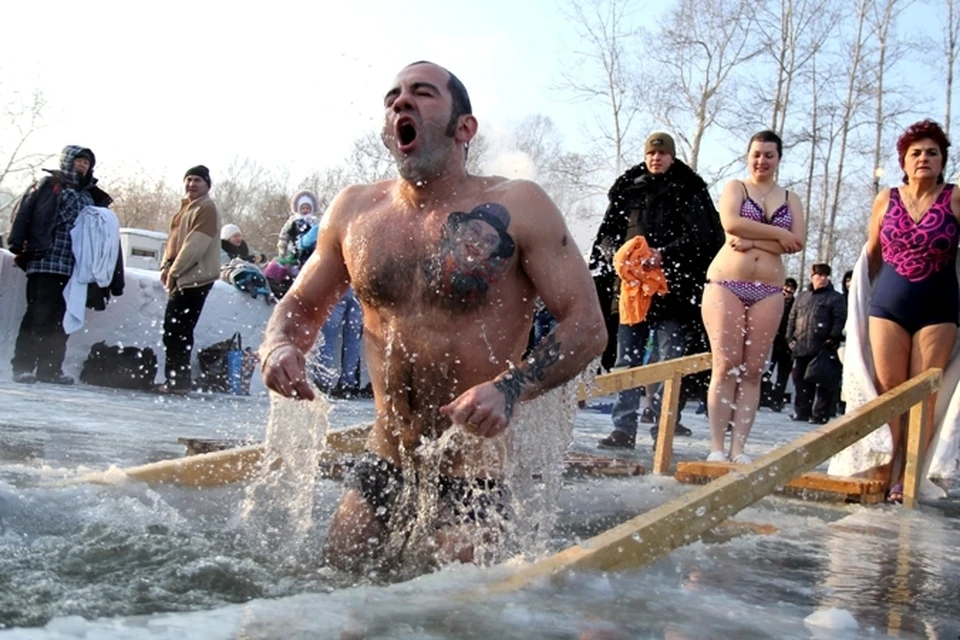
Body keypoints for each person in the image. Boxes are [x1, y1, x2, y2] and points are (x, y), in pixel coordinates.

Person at [259, 61, 606, 571]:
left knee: (443, 618)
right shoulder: (354, 212)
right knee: (332, 593)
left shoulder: (520, 205)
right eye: (394, 96)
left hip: (474, 476)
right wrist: (279, 345)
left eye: (422, 93)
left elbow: (587, 327)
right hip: (385, 462)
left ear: (464, 128)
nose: (402, 102)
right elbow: (300, 306)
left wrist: (511, 388)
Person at [836, 120, 960, 503]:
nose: (924, 158)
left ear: (942, 161)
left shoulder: (955, 197)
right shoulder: (886, 198)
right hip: (888, 305)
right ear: (903, 161)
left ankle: (907, 477)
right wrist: (860, 297)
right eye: (916, 153)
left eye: (932, 152)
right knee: (888, 392)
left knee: (923, 394)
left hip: (938, 308)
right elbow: (872, 254)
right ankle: (884, 467)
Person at [590, 132, 724, 450]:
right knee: (627, 360)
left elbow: (706, 238)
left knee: (669, 361)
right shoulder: (628, 189)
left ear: (672, 158)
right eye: (651, 153)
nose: (656, 158)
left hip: (672, 292)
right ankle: (623, 428)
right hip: (631, 290)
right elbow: (606, 236)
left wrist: (665, 254)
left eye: (662, 154)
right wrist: (618, 255)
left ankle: (663, 426)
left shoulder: (690, 190)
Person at [702, 130, 805, 463]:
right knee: (726, 363)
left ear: (779, 159)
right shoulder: (736, 187)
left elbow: (797, 242)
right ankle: (717, 445)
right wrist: (777, 234)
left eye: (769, 155)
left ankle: (739, 448)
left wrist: (754, 239)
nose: (762, 160)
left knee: (752, 369)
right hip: (726, 282)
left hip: (769, 289)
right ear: (748, 156)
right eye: (757, 154)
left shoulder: (791, 198)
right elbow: (732, 224)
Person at [8, 145, 113, 384]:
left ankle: (50, 369)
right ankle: (23, 366)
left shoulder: (90, 195)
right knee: (38, 315)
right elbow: (25, 212)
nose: (83, 165)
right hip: (45, 260)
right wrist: (18, 244)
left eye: (87, 162)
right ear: (67, 161)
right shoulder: (48, 185)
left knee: (62, 318)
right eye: (79, 160)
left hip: (75, 268)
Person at [156, 165, 222, 395]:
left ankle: (179, 382)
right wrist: (166, 265)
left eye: (197, 181)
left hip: (196, 278)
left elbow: (194, 246)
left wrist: (174, 271)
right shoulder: (186, 208)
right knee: (173, 330)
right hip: (183, 275)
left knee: (178, 330)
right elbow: (173, 241)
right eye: (189, 179)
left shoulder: (206, 208)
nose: (192, 184)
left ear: (207, 185)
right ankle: (175, 379)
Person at [785, 264, 846, 424]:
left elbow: (839, 319)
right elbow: (792, 317)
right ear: (812, 276)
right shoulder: (802, 296)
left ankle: (820, 414)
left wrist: (833, 337)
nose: (823, 279)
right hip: (802, 345)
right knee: (800, 381)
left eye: (826, 276)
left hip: (823, 347)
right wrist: (789, 336)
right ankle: (802, 412)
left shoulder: (835, 298)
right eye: (819, 275)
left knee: (823, 382)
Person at [766, 277, 797, 412]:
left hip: (787, 345)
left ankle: (777, 400)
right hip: (772, 343)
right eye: (787, 287)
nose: (788, 290)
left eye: (791, 288)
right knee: (767, 372)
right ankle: (764, 398)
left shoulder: (796, 305)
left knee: (782, 376)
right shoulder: (773, 302)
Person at [276, 189, 319, 262]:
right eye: (302, 208)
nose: (305, 210)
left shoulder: (315, 222)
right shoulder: (293, 221)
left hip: (313, 250)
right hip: (297, 250)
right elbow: (284, 235)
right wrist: (282, 250)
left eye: (307, 208)